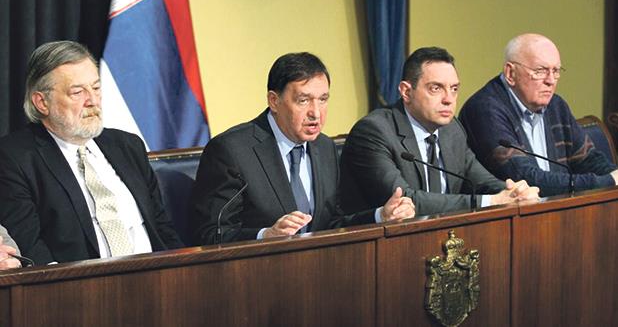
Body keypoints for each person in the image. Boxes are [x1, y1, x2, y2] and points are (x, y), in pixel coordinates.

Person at [190, 52, 415, 245]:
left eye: (323, 99)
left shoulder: (325, 148)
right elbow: (210, 234)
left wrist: (380, 216)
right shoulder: (232, 151)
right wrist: (265, 236)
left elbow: (331, 224)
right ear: (274, 101)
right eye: (303, 100)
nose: (316, 113)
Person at [0, 41, 183, 265]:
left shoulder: (128, 146)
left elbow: (162, 228)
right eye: (77, 92)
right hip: (81, 284)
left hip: (156, 275)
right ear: (42, 102)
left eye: (96, 88)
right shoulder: (15, 158)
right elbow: (29, 246)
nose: (93, 101)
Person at [339, 47, 539, 217]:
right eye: (436, 88)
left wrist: (514, 192)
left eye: (454, 89)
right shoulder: (374, 132)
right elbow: (405, 201)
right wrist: (491, 201)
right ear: (406, 92)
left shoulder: (452, 129)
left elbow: (480, 181)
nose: (448, 99)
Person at [459, 33, 618, 196]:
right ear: (510, 73)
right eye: (540, 71)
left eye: (555, 71)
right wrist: (607, 181)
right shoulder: (484, 110)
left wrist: (615, 176)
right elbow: (524, 179)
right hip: (513, 210)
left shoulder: (556, 105)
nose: (551, 80)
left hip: (557, 205)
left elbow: (588, 160)